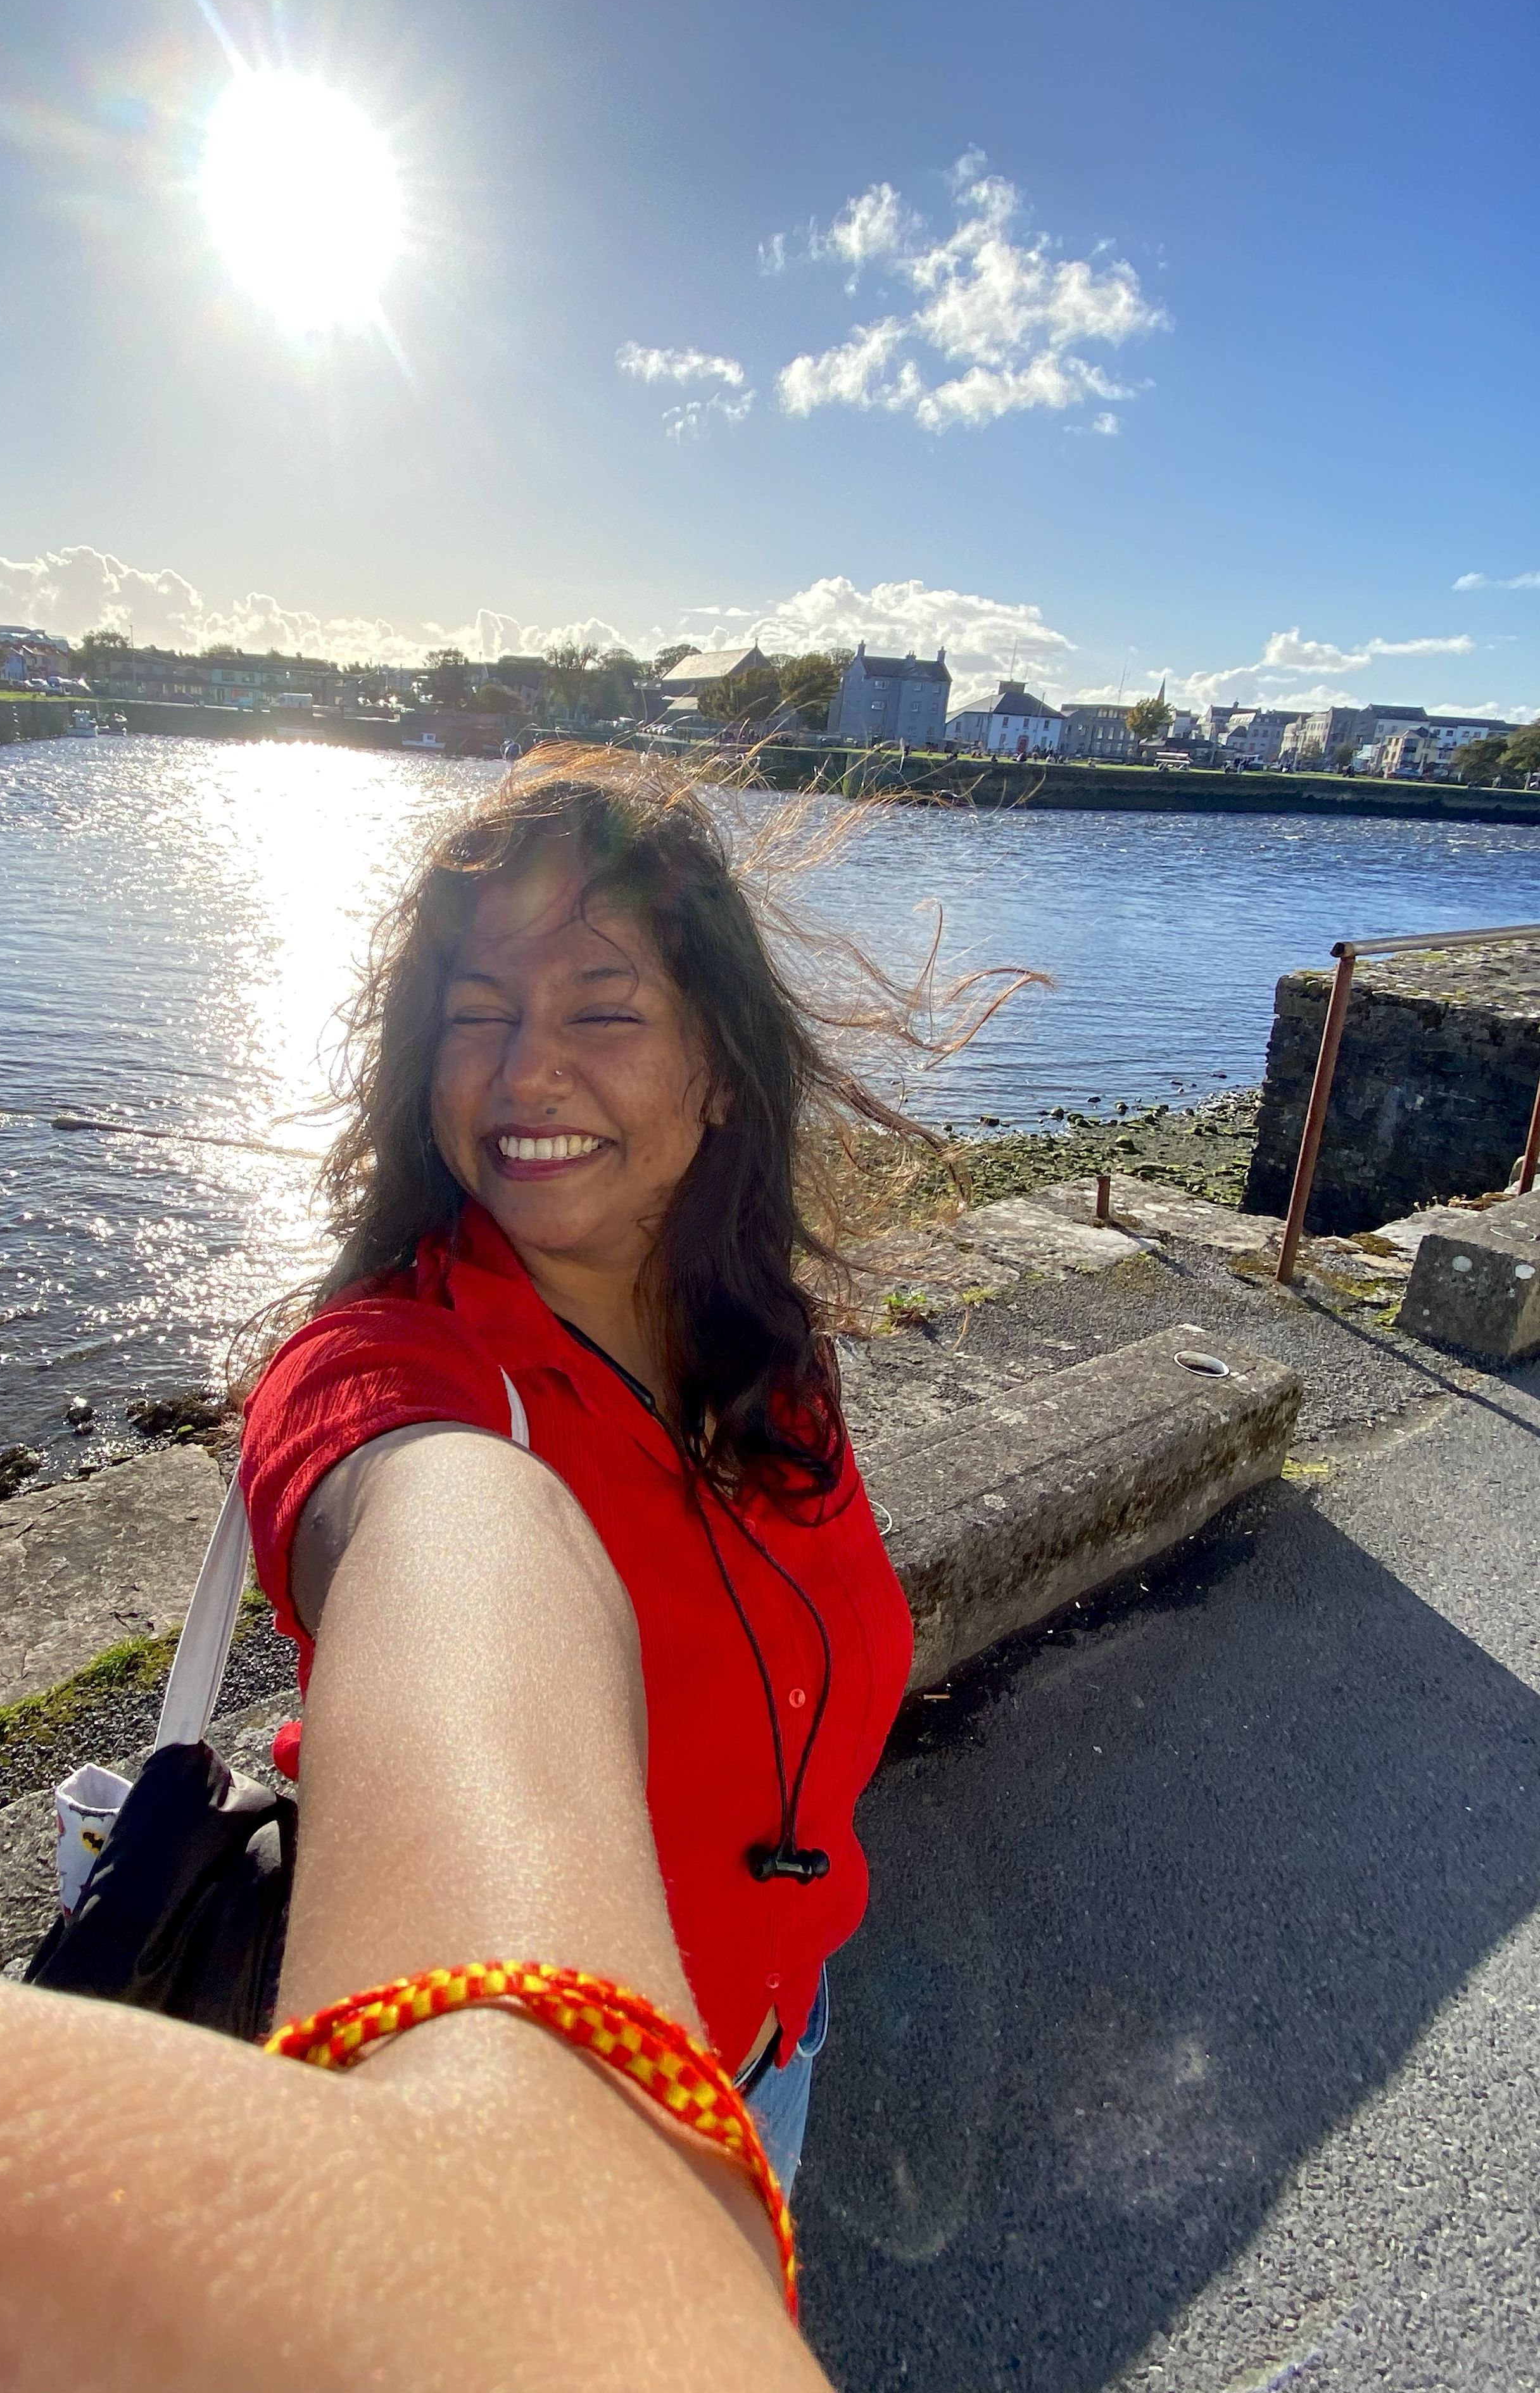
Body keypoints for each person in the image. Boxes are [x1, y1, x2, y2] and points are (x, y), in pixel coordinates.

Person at [0, 1417, 832, 2389]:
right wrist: (544, 2164)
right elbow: (449, 1515)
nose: (529, 1099)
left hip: (784, 2031)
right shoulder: (401, 1366)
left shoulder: (766, 1343)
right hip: (682, 2114)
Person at [240, 747, 926, 2194]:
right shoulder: (392, 1372)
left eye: (601, 1012)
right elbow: (431, 1552)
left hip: (780, 2051)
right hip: (561, 2171)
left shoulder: (771, 1358)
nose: (522, 1071)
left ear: (721, 1074)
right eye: (475, 1015)